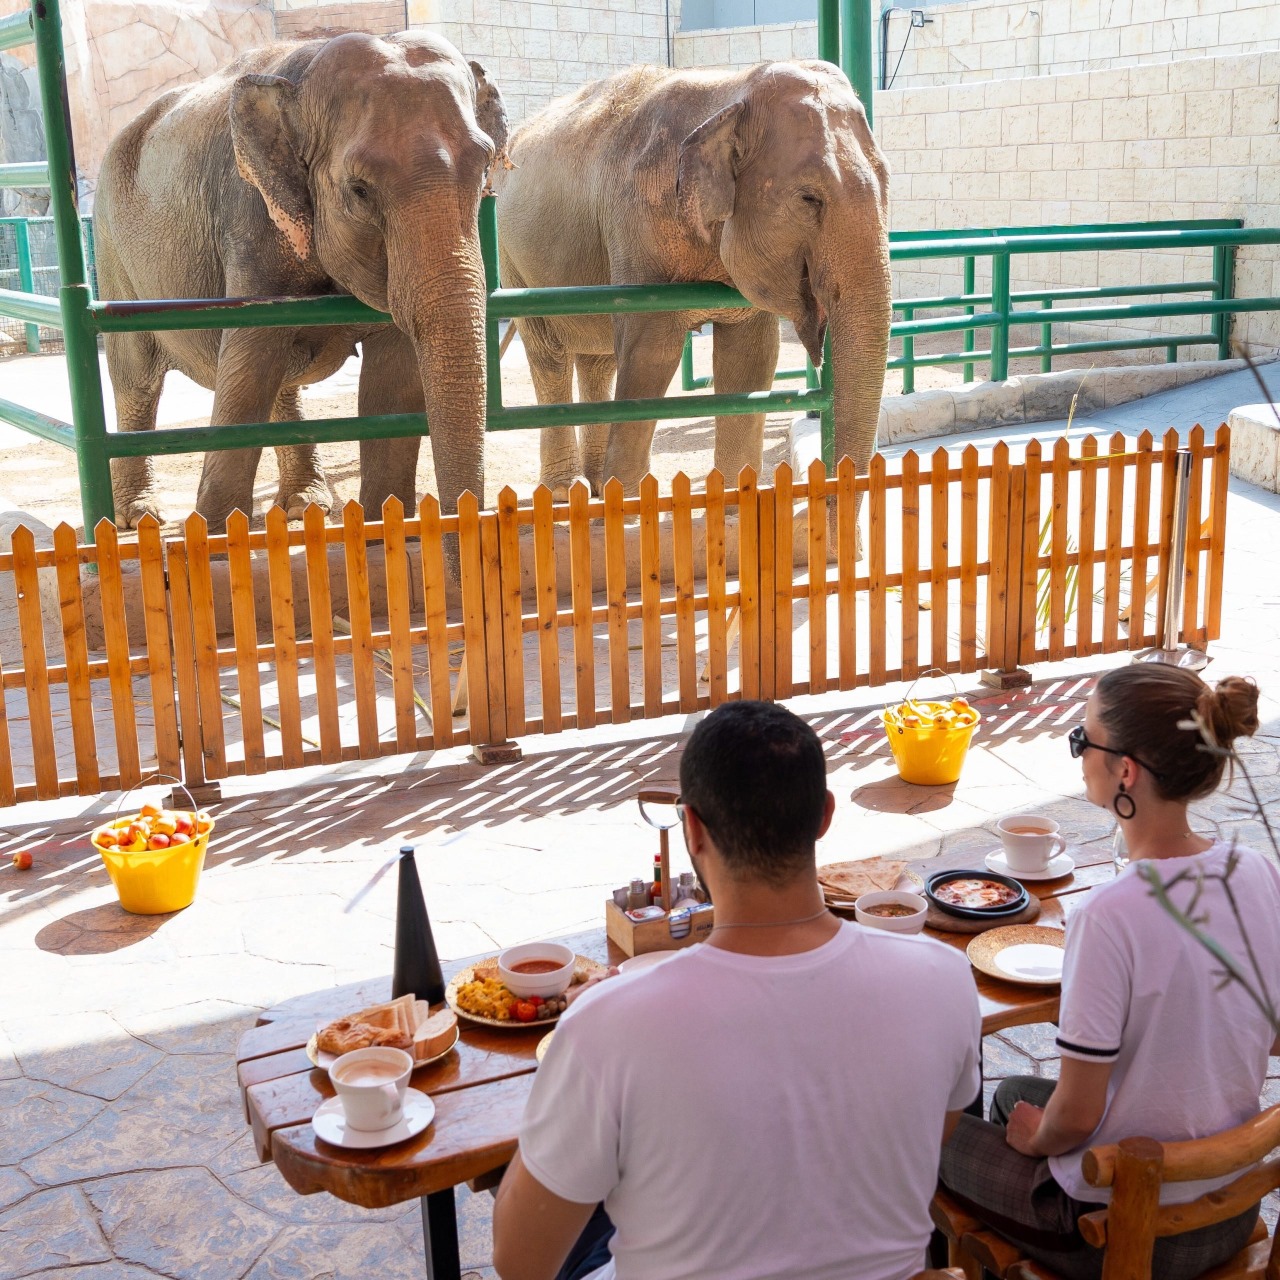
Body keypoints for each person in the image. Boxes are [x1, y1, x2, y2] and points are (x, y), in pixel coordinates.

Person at [492, 699, 982, 1280]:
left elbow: (519, 1264)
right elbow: (934, 1132)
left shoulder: (609, 1026)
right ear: (824, 816)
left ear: (692, 829)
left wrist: (572, 1072)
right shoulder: (944, 978)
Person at [940, 664, 1280, 1280]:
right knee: (1016, 1095)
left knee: (928, 1131)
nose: (1078, 756)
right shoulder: (1257, 872)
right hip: (1230, 1202)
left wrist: (1036, 1142)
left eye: (1082, 740)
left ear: (1125, 770)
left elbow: (1072, 1118)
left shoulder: (1106, 914)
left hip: (1121, 1229)